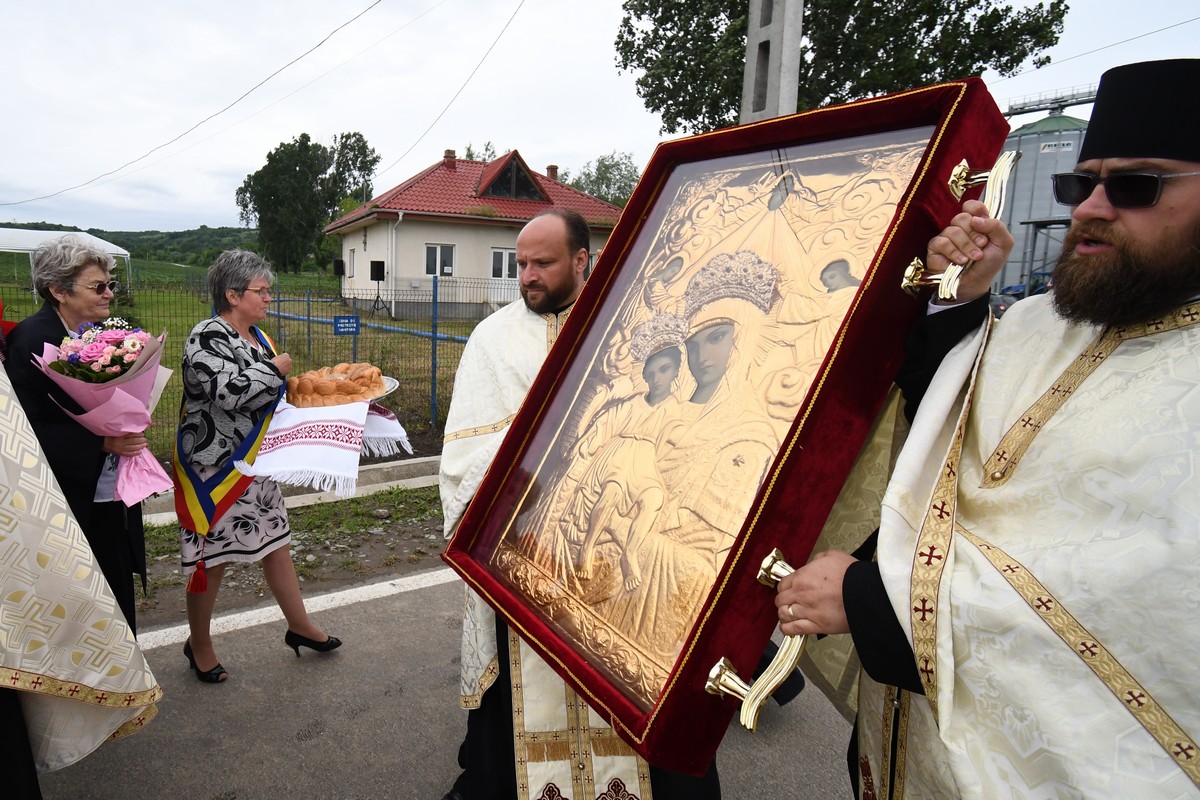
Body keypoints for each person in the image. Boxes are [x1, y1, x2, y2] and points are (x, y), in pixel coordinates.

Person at [775, 58, 1200, 798]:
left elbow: (1150, 610)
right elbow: (940, 431)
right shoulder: (1040, 322)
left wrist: (875, 605)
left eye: (1134, 185)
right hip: (911, 747)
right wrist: (958, 302)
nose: (1091, 208)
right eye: (1081, 184)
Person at [440, 208, 721, 800]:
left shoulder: (628, 332)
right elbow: (461, 462)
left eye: (542, 263)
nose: (528, 277)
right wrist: (538, 446)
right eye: (520, 264)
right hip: (527, 555)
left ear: (582, 261)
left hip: (623, 560)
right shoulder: (492, 339)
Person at [175, 250, 340, 684]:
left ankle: (300, 625)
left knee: (275, 542)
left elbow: (271, 397)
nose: (269, 298)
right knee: (212, 560)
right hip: (215, 471)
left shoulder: (256, 336)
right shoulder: (208, 335)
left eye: (268, 290)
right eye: (261, 291)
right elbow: (228, 392)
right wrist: (276, 368)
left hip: (255, 464)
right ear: (232, 294)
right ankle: (200, 644)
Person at [4, 234, 148, 633]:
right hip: (63, 496)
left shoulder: (100, 337)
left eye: (110, 286)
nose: (108, 295)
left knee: (114, 583)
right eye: (98, 286)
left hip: (106, 488)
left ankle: (125, 681)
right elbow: (24, 430)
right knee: (79, 593)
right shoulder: (30, 341)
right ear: (57, 290)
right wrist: (101, 441)